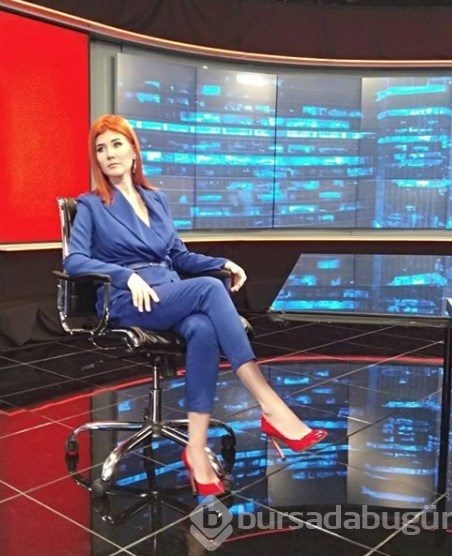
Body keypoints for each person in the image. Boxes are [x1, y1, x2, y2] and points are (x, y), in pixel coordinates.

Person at [64, 114, 328, 496]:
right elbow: (74, 260)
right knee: (208, 289)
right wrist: (125, 276)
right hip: (126, 299)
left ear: (134, 150)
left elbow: (178, 255)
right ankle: (269, 403)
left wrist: (221, 263)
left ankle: (196, 450)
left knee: (203, 328)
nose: (109, 154)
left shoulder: (156, 200)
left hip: (168, 293)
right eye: (101, 149)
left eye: (117, 144)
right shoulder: (90, 205)